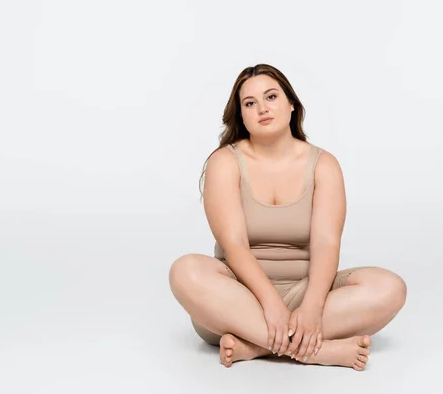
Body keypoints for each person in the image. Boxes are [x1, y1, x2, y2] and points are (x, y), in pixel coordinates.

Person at [168, 64, 407, 371]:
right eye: (250, 103)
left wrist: (311, 306)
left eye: (271, 97)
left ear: (291, 104)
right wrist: (269, 304)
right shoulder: (225, 162)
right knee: (184, 270)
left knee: (390, 287)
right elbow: (235, 246)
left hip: (308, 297)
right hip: (238, 302)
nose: (262, 109)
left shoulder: (323, 164)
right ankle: (312, 352)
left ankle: (255, 346)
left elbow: (326, 243)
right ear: (241, 114)